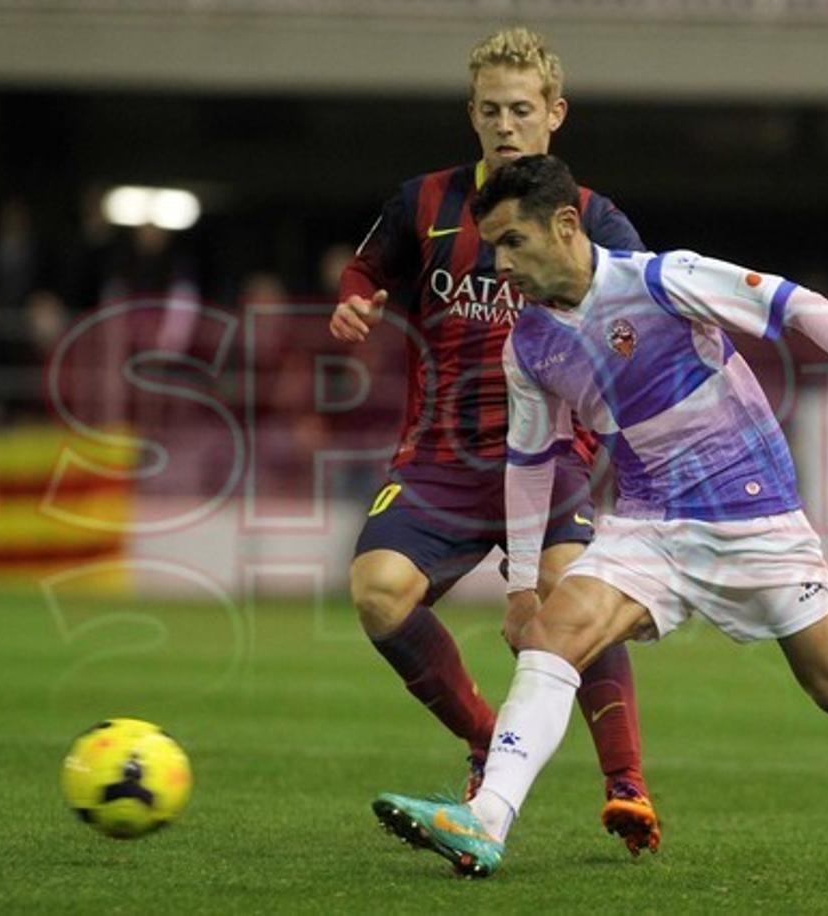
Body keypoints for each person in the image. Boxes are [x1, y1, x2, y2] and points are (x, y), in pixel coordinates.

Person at [372, 155, 828, 890]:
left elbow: (798, 303)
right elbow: (530, 461)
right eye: (491, 246)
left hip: (756, 520)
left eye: (512, 242)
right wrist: (523, 585)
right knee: (555, 636)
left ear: (565, 225)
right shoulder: (528, 343)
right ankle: (486, 819)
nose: (500, 265)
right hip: (650, 526)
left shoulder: (660, 278)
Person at [331, 28, 660, 853]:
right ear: (471, 115)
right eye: (490, 110)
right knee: (377, 591)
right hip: (440, 458)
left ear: (555, 115)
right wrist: (355, 300)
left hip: (555, 461)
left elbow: (643, 315)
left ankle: (626, 784)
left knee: (571, 597)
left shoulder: (593, 219)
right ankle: (486, 739)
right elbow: (366, 270)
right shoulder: (426, 203)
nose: (505, 125)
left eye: (521, 109)